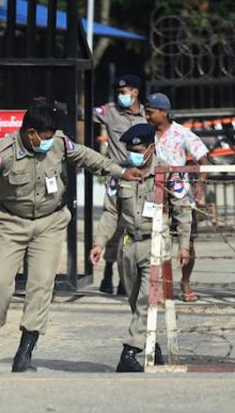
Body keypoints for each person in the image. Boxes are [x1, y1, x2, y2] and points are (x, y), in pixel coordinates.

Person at [0, 104, 143, 372]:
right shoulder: (3, 152)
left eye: (52, 134)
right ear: (30, 133)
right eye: (45, 135)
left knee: (41, 285)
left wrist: (121, 172)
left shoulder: (60, 143)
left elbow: (89, 158)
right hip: (10, 222)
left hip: (49, 223)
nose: (49, 140)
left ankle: (24, 353)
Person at [90, 123, 192, 372]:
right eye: (130, 149)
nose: (134, 154)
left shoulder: (168, 173)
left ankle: (128, 353)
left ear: (151, 148)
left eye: (138, 149)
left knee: (148, 299)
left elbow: (182, 210)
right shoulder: (121, 174)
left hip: (156, 242)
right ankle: (152, 346)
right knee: (137, 301)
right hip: (128, 244)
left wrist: (184, 245)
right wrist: (99, 242)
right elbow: (111, 212)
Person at [145, 93, 209, 302]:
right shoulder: (146, 134)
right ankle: (163, 285)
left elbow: (203, 158)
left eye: (151, 112)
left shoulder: (182, 134)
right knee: (158, 241)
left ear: (164, 112)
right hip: (154, 196)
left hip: (181, 196)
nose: (147, 116)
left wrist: (200, 184)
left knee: (187, 241)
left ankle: (185, 282)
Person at [93, 74, 147, 295]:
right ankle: (108, 271)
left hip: (142, 177)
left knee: (134, 225)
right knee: (114, 224)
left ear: (135, 92)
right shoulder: (110, 111)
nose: (120, 96)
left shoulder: (147, 115)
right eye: (118, 92)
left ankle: (127, 279)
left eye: (124, 92)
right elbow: (86, 115)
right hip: (118, 174)